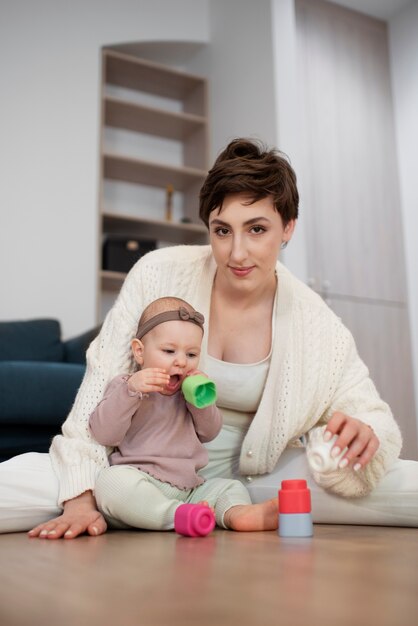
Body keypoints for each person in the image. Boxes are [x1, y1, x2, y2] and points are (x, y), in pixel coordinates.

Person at [0, 137, 416, 539]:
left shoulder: (318, 323)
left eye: (256, 229)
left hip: (257, 477)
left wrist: (367, 431)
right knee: (17, 484)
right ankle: (170, 512)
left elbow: (372, 413)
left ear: (287, 228)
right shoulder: (158, 273)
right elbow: (97, 393)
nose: (237, 253)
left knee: (406, 485)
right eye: (222, 231)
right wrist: (80, 496)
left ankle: (219, 511)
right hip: (138, 467)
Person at [89, 295, 277, 532]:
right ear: (139, 352)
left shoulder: (189, 395)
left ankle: (235, 514)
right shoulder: (126, 386)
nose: (181, 362)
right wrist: (132, 390)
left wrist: (202, 401)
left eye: (191, 355)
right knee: (110, 484)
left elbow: (209, 432)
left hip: (190, 490)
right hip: (140, 482)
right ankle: (176, 516)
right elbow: (104, 433)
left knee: (229, 487)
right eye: (169, 351)